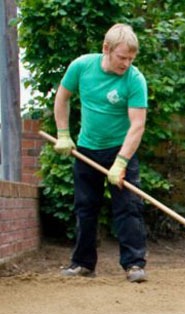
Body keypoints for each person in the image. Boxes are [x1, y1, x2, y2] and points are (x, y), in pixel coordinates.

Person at [53, 23, 149, 283]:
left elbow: (137, 125)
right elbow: (62, 98)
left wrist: (121, 162)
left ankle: (133, 265)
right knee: (85, 207)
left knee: (128, 207)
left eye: (131, 58)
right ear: (106, 49)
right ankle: (83, 264)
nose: (126, 63)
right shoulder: (82, 67)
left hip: (121, 150)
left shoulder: (135, 79)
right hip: (87, 149)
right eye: (122, 57)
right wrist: (63, 134)